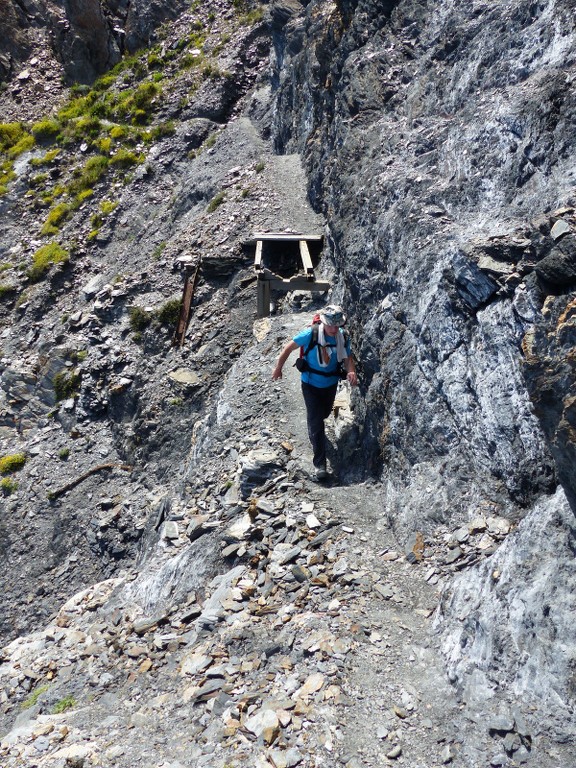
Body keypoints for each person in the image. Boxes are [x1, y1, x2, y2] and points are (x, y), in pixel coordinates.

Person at [271, 305, 358, 479]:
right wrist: (278, 368)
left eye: (337, 326)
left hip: (330, 383)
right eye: (331, 325)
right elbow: (288, 348)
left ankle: (314, 427)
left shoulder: (343, 337)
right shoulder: (310, 334)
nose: (334, 329)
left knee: (324, 413)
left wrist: (351, 371)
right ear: (324, 323)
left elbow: (348, 358)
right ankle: (320, 465)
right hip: (310, 384)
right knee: (317, 421)